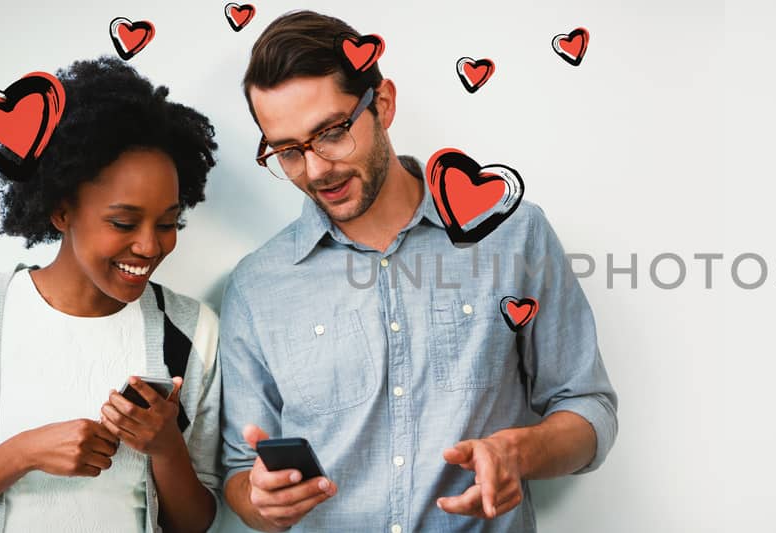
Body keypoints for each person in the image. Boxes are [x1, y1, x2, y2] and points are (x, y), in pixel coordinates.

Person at [220, 10, 619, 532]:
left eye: (332, 132)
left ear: (381, 104)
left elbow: (588, 407)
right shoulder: (255, 287)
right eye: (288, 151)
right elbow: (236, 472)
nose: (316, 169)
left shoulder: (511, 234)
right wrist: (258, 502)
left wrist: (516, 451)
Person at [0, 57, 223, 533]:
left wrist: (165, 447)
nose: (149, 246)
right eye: (123, 223)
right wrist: (23, 454)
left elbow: (195, 524)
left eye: (167, 223)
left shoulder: (192, 331)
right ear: (61, 211)